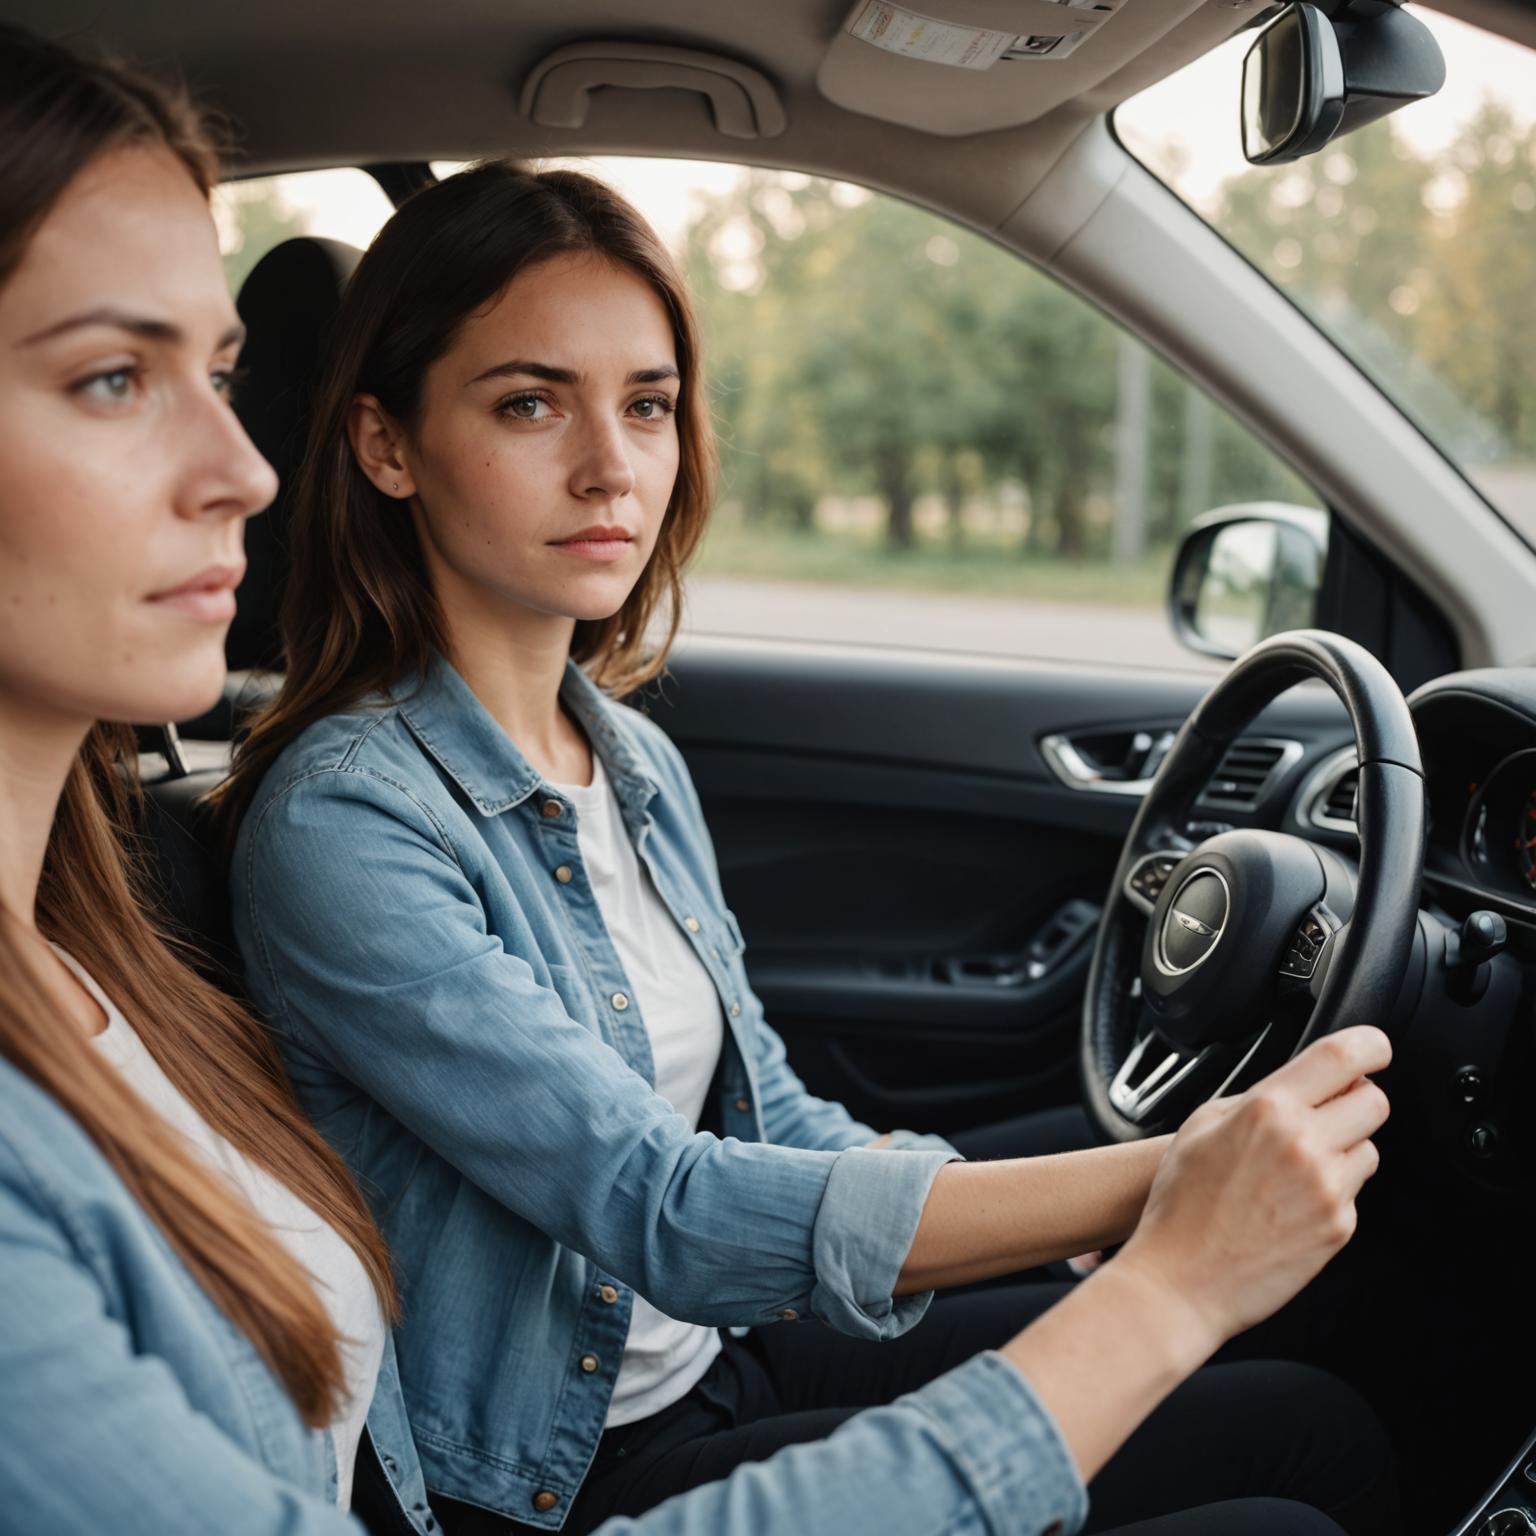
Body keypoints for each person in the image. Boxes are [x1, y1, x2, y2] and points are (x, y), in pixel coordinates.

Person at [0, 23, 1393, 1536]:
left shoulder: (634, 758)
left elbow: (770, 1115)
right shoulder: (343, 819)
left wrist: (1068, 1228)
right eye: (532, 404)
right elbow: (660, 1204)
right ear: (387, 448)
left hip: (709, 1352)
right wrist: (1157, 1206)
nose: (613, 465)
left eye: (649, 404)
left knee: (1311, 1421)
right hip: (557, 1457)